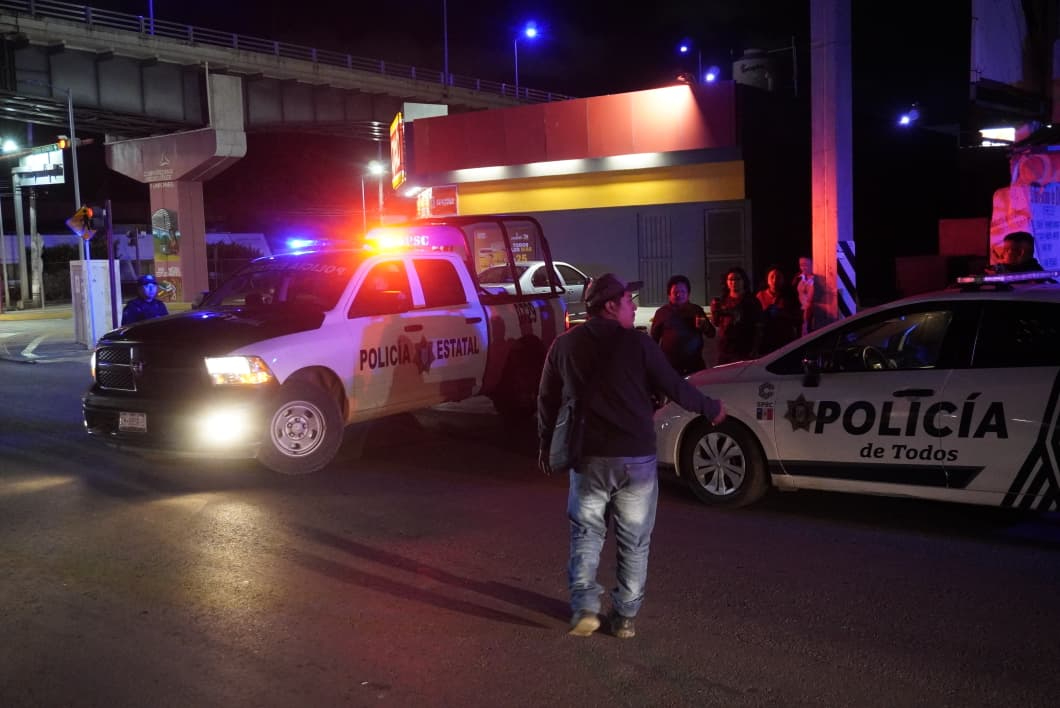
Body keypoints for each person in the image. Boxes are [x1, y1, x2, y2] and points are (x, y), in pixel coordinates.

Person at [538, 273, 726, 640]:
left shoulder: (564, 345)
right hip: (635, 459)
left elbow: (546, 400)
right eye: (628, 301)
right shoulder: (638, 345)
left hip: (588, 457)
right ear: (610, 306)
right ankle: (624, 617)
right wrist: (711, 409)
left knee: (586, 534)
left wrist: (545, 445)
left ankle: (585, 607)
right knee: (634, 541)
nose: (633, 306)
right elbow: (674, 386)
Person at [649, 274, 714, 375]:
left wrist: (705, 326)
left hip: (695, 365)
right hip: (670, 367)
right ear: (669, 294)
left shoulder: (696, 310)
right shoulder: (662, 312)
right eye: (675, 292)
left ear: (688, 293)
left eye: (683, 292)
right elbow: (653, 341)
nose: (679, 295)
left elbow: (711, 334)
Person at [710, 266, 763, 365]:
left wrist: (755, 349)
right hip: (725, 348)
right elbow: (716, 323)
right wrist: (714, 311)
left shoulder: (752, 301)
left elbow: (759, 326)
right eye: (730, 279)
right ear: (726, 282)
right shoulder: (722, 301)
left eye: (737, 279)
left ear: (743, 281)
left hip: (744, 348)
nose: (734, 282)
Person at [755, 265, 801, 354]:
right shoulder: (760, 295)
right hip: (765, 339)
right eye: (772, 277)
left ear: (783, 279)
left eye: (778, 277)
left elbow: (797, 318)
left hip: (785, 339)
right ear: (767, 280)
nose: (775, 280)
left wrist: (782, 313)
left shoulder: (789, 296)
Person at [793, 256, 826, 335]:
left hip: (811, 313)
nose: (803, 268)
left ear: (812, 265)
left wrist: (805, 322)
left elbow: (810, 302)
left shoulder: (814, 280)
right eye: (801, 265)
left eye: (806, 265)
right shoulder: (799, 278)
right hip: (800, 312)